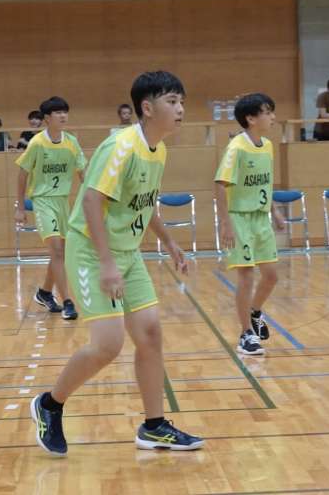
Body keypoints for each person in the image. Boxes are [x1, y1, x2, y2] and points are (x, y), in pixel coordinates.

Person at [30, 71, 204, 456]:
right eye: (172, 101)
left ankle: (154, 426)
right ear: (148, 108)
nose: (180, 109)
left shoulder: (158, 150)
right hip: (92, 252)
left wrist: (170, 242)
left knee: (151, 334)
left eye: (181, 102)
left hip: (127, 252)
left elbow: (144, 202)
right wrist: (107, 263)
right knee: (108, 345)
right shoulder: (120, 146)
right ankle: (50, 405)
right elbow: (92, 200)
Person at [214, 93, 285, 356]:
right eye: (268, 112)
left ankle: (254, 312)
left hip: (260, 217)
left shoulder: (267, 146)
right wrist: (225, 223)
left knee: (271, 275)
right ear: (251, 118)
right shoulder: (236, 148)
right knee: (246, 276)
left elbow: (266, 182)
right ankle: (246, 335)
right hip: (239, 217)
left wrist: (274, 211)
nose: (273, 117)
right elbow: (220, 184)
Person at [14, 96, 87, 320]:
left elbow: (83, 174)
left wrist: (94, 200)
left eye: (65, 111)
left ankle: (44, 292)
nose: (63, 116)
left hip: (63, 202)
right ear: (47, 118)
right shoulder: (37, 143)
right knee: (56, 250)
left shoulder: (71, 142)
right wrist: (20, 208)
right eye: (58, 112)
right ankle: (68, 302)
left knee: (60, 253)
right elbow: (22, 174)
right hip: (43, 201)